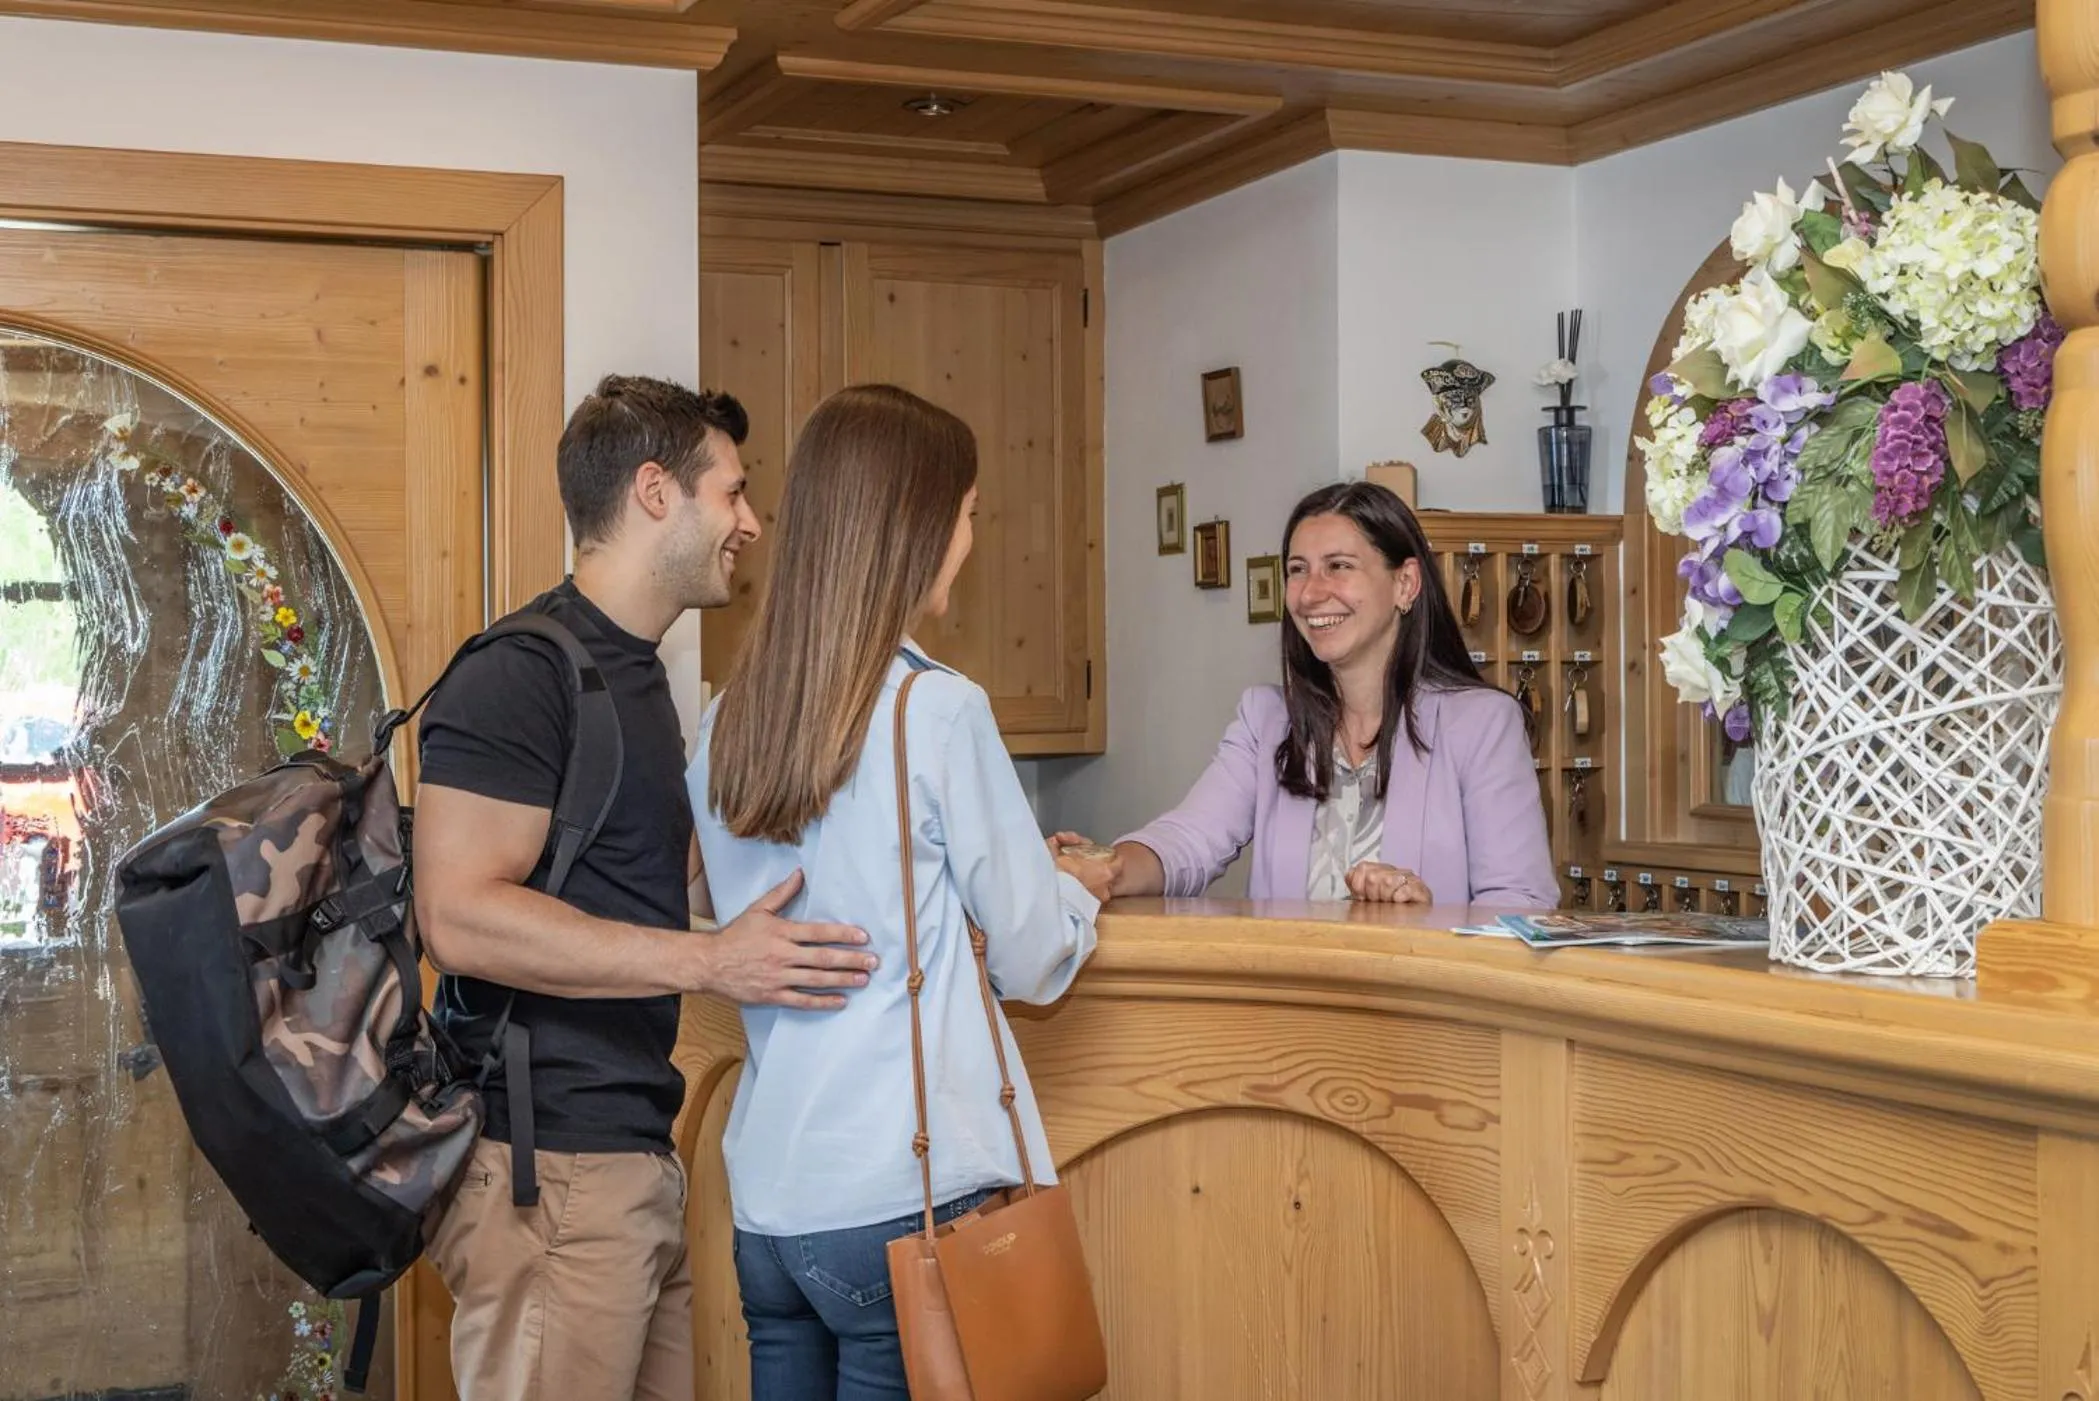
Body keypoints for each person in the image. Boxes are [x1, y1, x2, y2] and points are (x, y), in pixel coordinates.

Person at [412, 376, 882, 1401]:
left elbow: (625, 890)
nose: (750, 524)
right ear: (655, 492)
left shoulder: (638, 677)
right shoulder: (517, 673)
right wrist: (709, 961)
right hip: (551, 1175)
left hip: (627, 1157)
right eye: (733, 494)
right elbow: (456, 915)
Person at [688, 383, 1109, 1401]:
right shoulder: (938, 708)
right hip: (896, 1201)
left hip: (774, 1206)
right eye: (966, 518)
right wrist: (1078, 888)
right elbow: (1033, 958)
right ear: (916, 530)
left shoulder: (724, 721)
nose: (968, 543)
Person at [1060, 480, 1555, 908]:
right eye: (1298, 569)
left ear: (1405, 583)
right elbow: (1189, 841)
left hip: (1428, 1015)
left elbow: (1521, 905)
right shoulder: (1266, 720)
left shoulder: (1483, 724)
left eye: (1338, 566)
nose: (1311, 593)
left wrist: (1427, 913)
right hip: (1293, 1016)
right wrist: (1107, 869)